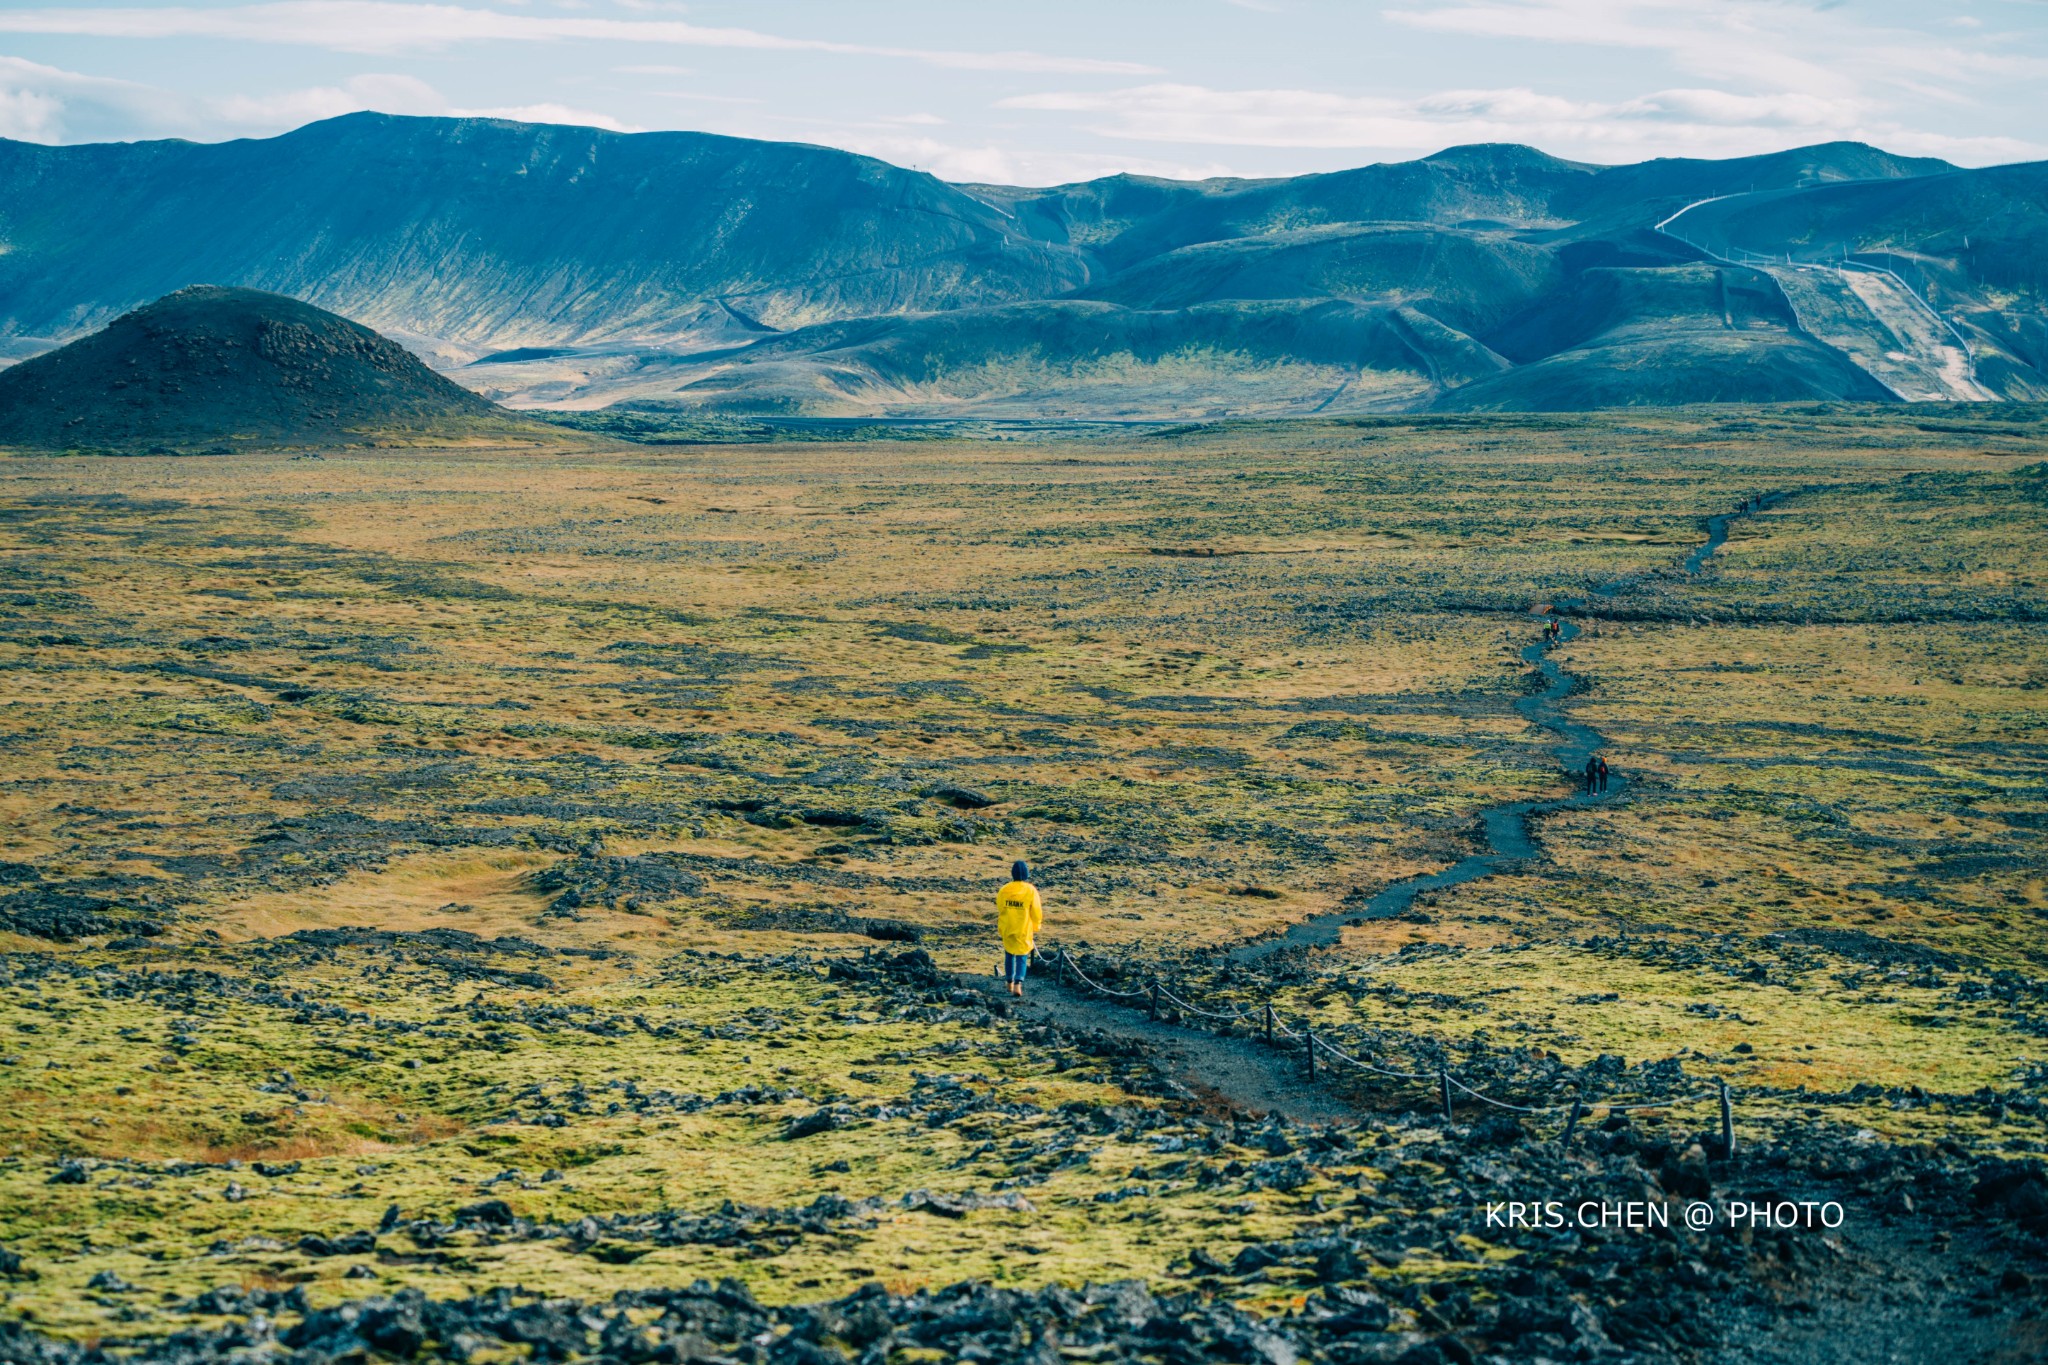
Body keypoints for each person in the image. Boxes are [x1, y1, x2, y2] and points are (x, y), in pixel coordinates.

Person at [996, 860, 1043, 997]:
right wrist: (1036, 926)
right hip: (1023, 928)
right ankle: (1018, 984)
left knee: (1009, 954)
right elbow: (1036, 911)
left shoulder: (1005, 889)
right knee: (1022, 956)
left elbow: (1000, 907)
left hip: (1008, 926)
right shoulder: (1030, 890)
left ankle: (1009, 982)